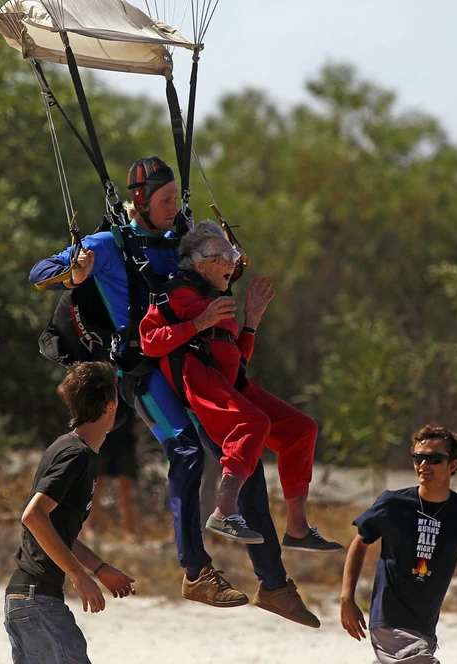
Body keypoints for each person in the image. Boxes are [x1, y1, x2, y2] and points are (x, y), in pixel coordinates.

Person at [29, 156, 321, 627]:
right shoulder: (106, 244)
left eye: (175, 199)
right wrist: (74, 272)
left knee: (242, 455)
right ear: (140, 200)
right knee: (185, 452)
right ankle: (196, 572)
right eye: (164, 200)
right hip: (142, 371)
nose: (173, 208)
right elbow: (39, 272)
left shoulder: (178, 238)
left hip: (190, 364)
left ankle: (274, 585)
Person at [139, 220, 344, 554]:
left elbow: (237, 358)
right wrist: (198, 323)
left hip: (228, 381)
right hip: (196, 377)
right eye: (224, 257)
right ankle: (224, 511)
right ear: (200, 263)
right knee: (253, 423)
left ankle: (297, 528)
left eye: (233, 257)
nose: (233, 264)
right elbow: (149, 342)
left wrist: (251, 323)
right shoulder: (175, 293)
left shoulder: (216, 299)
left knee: (301, 430)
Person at [4, 361, 136, 664]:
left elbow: (57, 530)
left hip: (29, 600)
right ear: (110, 404)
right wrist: (78, 575)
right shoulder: (75, 454)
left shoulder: (74, 450)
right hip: (37, 602)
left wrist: (99, 568)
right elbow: (33, 516)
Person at [340, 425, 457, 663]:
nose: (424, 465)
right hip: (388, 620)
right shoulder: (393, 503)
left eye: (434, 459)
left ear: (452, 465)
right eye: (418, 458)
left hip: (425, 627)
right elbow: (360, 543)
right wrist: (347, 599)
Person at [85, 412, 140, 542]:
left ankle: (128, 529)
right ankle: (89, 526)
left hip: (125, 439)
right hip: (103, 438)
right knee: (97, 483)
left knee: (125, 485)